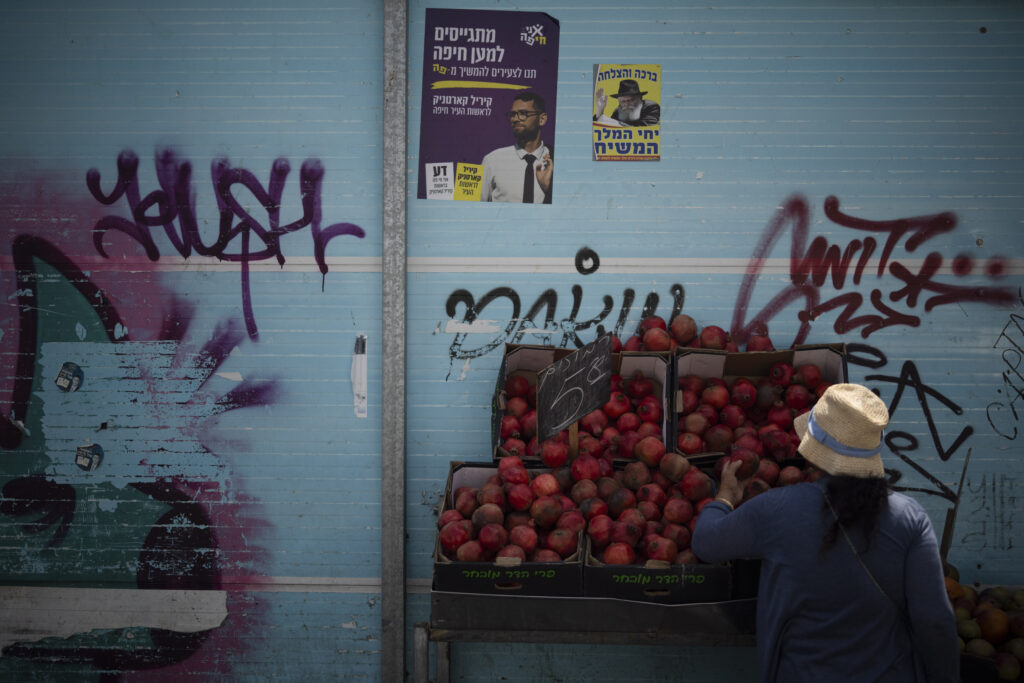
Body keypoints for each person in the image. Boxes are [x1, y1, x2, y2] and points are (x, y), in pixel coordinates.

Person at [691, 383, 958, 683]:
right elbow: (934, 620)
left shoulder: (777, 509)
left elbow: (706, 543)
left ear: (815, 450)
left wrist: (724, 498)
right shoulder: (910, 517)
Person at [480, 91, 552, 203]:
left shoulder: (556, 161)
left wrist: (549, 188)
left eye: (523, 113)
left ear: (542, 119)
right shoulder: (492, 160)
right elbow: (473, 209)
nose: (515, 119)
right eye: (513, 114)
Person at [593, 78, 660, 127]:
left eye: (631, 100)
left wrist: (615, 123)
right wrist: (599, 112)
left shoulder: (652, 107)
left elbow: (647, 129)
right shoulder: (618, 111)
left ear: (640, 98)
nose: (626, 104)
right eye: (623, 101)